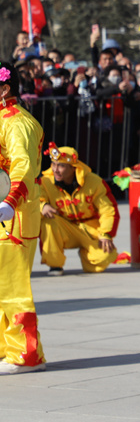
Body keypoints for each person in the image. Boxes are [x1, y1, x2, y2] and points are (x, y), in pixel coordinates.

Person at [0, 61, 46, 374]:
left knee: (13, 286)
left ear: (4, 88)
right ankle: (8, 348)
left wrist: (10, 201)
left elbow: (24, 167)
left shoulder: (18, 123)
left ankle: (25, 354)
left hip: (13, 215)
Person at [39, 143, 119, 275]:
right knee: (48, 222)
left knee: (105, 257)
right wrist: (42, 206)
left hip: (90, 229)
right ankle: (55, 265)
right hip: (63, 228)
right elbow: (34, 200)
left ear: (73, 168)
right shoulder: (46, 182)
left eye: (61, 166)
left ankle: (86, 252)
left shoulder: (94, 182)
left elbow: (108, 209)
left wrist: (106, 234)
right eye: (53, 164)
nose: (55, 170)